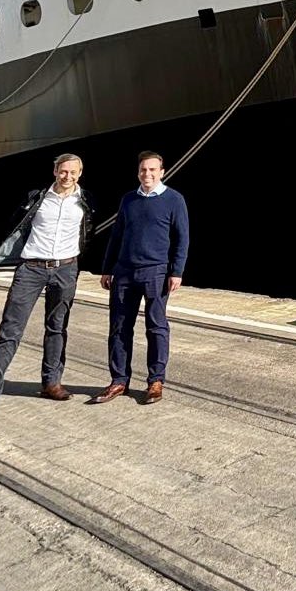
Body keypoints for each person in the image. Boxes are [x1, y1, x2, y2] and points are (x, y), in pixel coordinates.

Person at [0, 153, 93, 424]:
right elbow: (14, 226)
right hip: (31, 269)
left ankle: (52, 383)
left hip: (66, 269)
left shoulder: (84, 201)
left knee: (57, 328)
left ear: (80, 173)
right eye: (63, 171)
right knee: (10, 333)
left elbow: (87, 232)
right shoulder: (36, 198)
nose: (67, 177)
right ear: (55, 171)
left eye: (73, 172)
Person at [94, 151, 189, 405]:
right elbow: (116, 236)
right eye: (143, 170)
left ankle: (156, 380)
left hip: (156, 271)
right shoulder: (128, 200)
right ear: (138, 172)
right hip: (124, 270)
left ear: (162, 171)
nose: (147, 174)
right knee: (119, 327)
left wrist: (177, 271)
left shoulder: (174, 200)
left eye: (152, 170)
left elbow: (182, 238)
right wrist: (107, 268)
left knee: (156, 327)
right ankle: (119, 381)